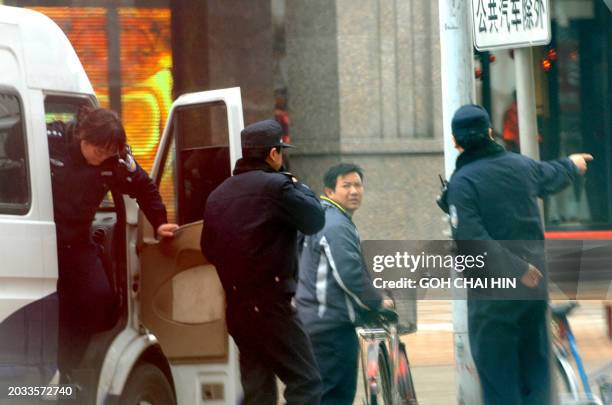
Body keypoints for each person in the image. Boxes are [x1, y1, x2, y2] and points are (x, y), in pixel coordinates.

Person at [444, 104, 592, 404]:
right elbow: (553, 173)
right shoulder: (521, 166)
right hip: (533, 296)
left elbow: (473, 240)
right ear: (489, 132)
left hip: (494, 302)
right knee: (535, 379)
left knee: (500, 385)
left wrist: (516, 268)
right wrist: (573, 164)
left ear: (455, 141)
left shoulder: (464, 181)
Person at [47, 106, 178, 384]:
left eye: (109, 152)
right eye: (98, 150)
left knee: (101, 301)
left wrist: (159, 223)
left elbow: (145, 188)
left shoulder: (117, 159)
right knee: (50, 303)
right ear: (83, 135)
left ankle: (71, 366)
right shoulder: (51, 140)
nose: (102, 157)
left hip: (78, 241)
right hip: (45, 240)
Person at [201, 119, 325, 405]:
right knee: (306, 382)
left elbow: (208, 248)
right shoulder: (278, 186)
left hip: (237, 310)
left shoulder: (218, 194)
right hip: (272, 306)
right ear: (272, 154)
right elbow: (314, 219)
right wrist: (297, 184)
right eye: (280, 152)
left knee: (258, 390)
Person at [295, 163, 388, 405]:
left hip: (313, 321)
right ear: (329, 191)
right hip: (331, 327)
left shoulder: (323, 217)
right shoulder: (335, 224)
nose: (354, 191)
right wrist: (378, 301)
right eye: (346, 186)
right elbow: (349, 274)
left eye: (357, 185)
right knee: (335, 395)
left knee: (321, 392)